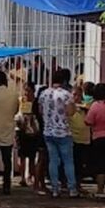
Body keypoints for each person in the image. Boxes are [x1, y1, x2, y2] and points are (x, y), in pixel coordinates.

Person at [40, 68, 78, 198]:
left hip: (48, 131)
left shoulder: (44, 94)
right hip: (63, 131)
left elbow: (40, 110)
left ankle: (55, 188)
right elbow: (70, 112)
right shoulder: (66, 94)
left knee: (53, 160)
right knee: (68, 161)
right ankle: (72, 188)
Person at [15, 82, 42, 188]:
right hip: (21, 131)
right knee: (21, 156)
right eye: (25, 90)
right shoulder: (20, 100)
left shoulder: (36, 102)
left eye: (29, 90)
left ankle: (30, 176)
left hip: (33, 132)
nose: (26, 93)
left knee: (31, 156)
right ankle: (22, 178)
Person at [69, 83, 93, 194]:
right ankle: (71, 184)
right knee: (73, 163)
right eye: (74, 95)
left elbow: (90, 108)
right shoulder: (69, 107)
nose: (76, 97)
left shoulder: (85, 107)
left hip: (85, 139)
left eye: (78, 95)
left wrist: (80, 106)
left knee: (81, 165)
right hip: (73, 138)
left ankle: (78, 184)